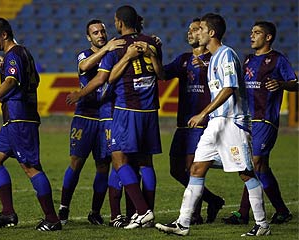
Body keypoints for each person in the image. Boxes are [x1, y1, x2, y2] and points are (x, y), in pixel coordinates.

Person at [155, 13, 271, 237]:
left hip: (232, 124)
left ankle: (262, 224)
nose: (195, 33)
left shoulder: (227, 55)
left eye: (200, 29)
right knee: (196, 169)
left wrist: (203, 113)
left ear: (211, 33)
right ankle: (183, 223)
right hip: (215, 124)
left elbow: (229, 89)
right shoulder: (213, 58)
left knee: (245, 173)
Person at [66, 5, 164, 229]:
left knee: (119, 161)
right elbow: (161, 75)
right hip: (150, 110)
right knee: (146, 163)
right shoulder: (153, 42)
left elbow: (106, 80)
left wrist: (80, 93)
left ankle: (141, 211)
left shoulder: (115, 49)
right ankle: (139, 214)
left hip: (125, 109)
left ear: (119, 23)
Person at [0, 17, 61, 231]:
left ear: (4, 35)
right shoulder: (23, 53)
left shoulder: (13, 55)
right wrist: (4, 68)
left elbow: (12, 81)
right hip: (14, 120)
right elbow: (34, 79)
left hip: (20, 118)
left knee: (30, 167)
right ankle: (8, 213)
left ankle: (52, 219)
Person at [222, 21, 298, 225]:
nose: (251, 36)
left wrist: (281, 84)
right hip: (247, 120)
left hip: (265, 120)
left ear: (268, 37)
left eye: (257, 33)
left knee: (255, 163)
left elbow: (295, 83)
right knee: (257, 167)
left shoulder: (277, 59)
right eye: (251, 32)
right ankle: (280, 210)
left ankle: (243, 213)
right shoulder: (247, 60)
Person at [58, 19, 125, 225]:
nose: (100, 35)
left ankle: (95, 212)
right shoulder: (85, 54)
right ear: (89, 37)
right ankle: (63, 208)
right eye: (95, 33)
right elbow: (84, 66)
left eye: (102, 31)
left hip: (106, 115)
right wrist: (106, 48)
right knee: (76, 163)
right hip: (84, 116)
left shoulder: (112, 54)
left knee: (103, 166)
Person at [162, 17, 224, 224]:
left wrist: (206, 67)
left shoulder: (216, 58)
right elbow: (162, 74)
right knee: (175, 170)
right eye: (189, 30)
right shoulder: (184, 59)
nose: (190, 33)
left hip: (202, 122)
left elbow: (228, 84)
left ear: (206, 33)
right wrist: (155, 51)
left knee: (191, 168)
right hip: (183, 124)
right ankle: (213, 200)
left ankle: (194, 214)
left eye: (196, 29)